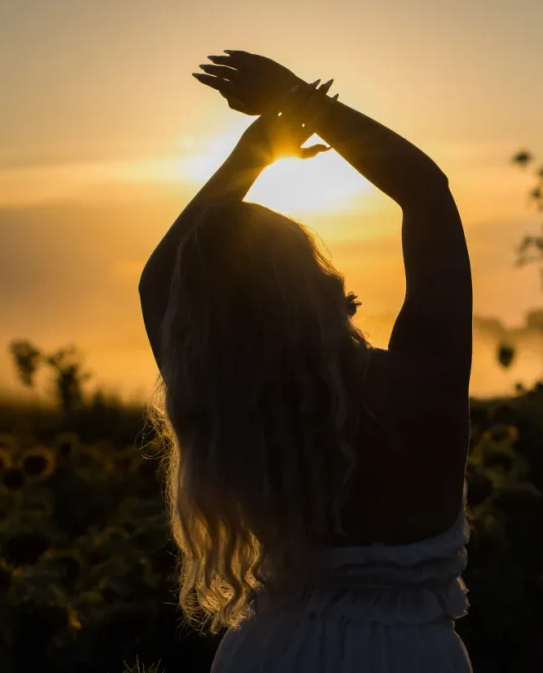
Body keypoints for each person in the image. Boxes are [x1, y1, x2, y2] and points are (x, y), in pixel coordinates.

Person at [138, 50, 473, 672]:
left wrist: (253, 152)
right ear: (320, 284)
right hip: (407, 656)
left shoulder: (228, 401)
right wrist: (302, 100)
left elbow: (159, 281)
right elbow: (426, 193)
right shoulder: (423, 378)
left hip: (270, 652)